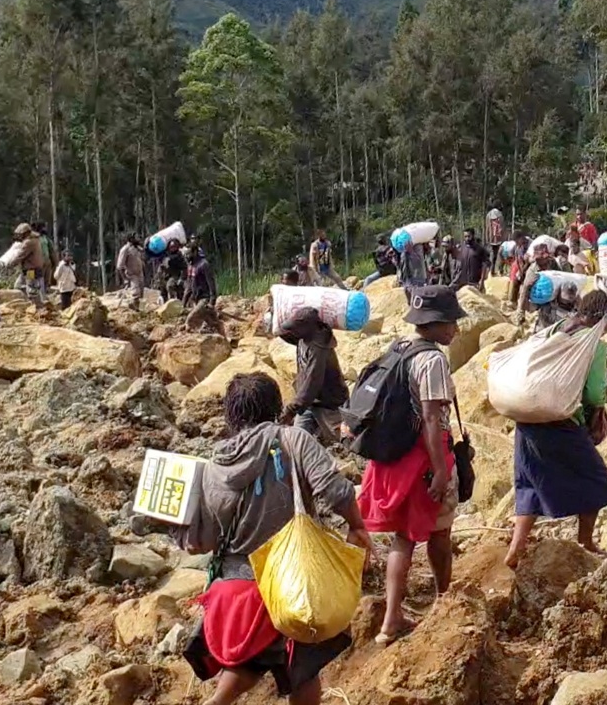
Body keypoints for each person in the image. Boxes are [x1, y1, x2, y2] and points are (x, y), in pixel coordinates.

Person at [173, 372, 371, 705]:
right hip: (295, 582)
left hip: (235, 591)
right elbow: (335, 489)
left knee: (246, 668)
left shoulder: (212, 466)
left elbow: (198, 542)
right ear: (276, 406)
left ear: (231, 415)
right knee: (303, 673)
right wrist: (357, 527)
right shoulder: (294, 440)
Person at [359, 286, 466, 646]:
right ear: (434, 324)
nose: (455, 329)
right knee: (439, 532)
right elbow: (432, 419)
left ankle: (391, 619)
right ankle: (444, 598)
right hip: (423, 460)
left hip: (395, 461)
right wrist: (439, 470)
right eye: (451, 322)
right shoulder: (432, 360)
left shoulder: (400, 349)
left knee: (402, 539)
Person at [506, 290, 607, 568]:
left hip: (527, 420)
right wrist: (603, 398)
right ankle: (585, 541)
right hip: (560, 423)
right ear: (604, 319)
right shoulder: (592, 345)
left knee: (529, 482)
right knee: (596, 479)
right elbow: (593, 396)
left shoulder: (555, 328)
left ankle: (516, 548)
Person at [278, 307, 348, 446]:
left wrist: (291, 409)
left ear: (308, 327)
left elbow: (312, 382)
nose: (293, 331)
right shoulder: (304, 338)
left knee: (345, 440)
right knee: (297, 441)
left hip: (328, 403)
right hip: (309, 403)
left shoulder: (319, 347)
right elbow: (285, 332)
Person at [515, 241, 559, 326]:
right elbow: (525, 290)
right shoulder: (532, 271)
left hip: (550, 293)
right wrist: (521, 312)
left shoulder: (552, 263)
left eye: (545, 258)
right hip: (536, 297)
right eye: (539, 259)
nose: (543, 261)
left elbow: (559, 275)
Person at [12, 222, 46, 305]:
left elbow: (21, 255)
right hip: (33, 268)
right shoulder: (35, 239)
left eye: (21, 234)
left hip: (31, 270)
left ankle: (36, 306)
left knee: (31, 289)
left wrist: (10, 264)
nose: (20, 236)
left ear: (26, 233)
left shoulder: (29, 242)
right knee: (19, 285)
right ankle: (33, 303)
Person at [33, 222, 55, 292]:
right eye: (43, 227)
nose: (45, 229)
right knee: (39, 279)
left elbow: (51, 249)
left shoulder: (45, 238)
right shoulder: (35, 238)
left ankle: (45, 292)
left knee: (47, 278)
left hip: (47, 260)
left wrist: (53, 261)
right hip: (39, 261)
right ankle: (40, 293)